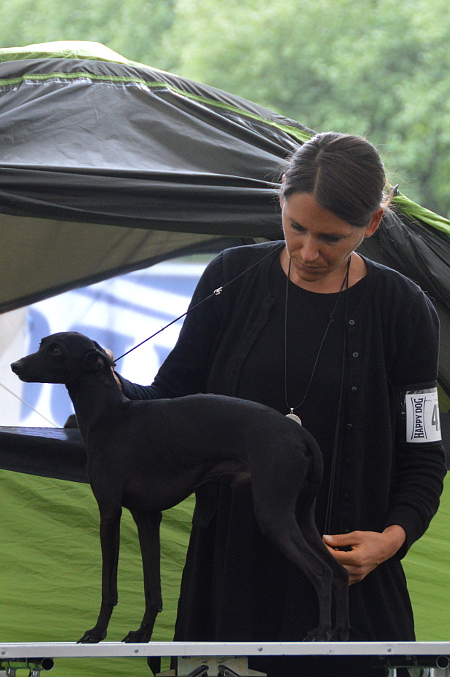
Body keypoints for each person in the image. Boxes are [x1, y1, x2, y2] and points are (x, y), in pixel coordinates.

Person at [116, 132, 446, 676]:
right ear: (280, 200)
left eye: (331, 238)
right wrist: (106, 384)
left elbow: (424, 452)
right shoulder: (229, 279)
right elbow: (169, 404)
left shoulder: (405, 310)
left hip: (350, 584)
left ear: (372, 223)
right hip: (231, 581)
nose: (308, 251)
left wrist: (390, 541)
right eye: (296, 227)